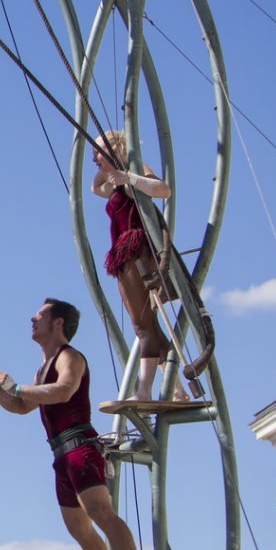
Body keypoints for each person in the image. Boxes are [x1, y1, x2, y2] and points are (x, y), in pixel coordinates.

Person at [0, 298, 153, 550]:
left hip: (80, 447)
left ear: (58, 323)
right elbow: (21, 406)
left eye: (39, 315)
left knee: (100, 512)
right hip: (61, 455)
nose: (32, 319)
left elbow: (64, 391)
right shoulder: (43, 367)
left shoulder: (69, 357)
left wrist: (16, 386)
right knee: (79, 529)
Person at [91, 130, 188, 402]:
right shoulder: (113, 181)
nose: (93, 158)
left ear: (116, 148)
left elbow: (163, 189)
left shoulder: (135, 172)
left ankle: (144, 390)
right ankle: (177, 389)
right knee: (147, 326)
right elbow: (94, 186)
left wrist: (129, 173)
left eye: (97, 151)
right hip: (122, 255)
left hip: (137, 249)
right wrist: (109, 165)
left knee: (142, 325)